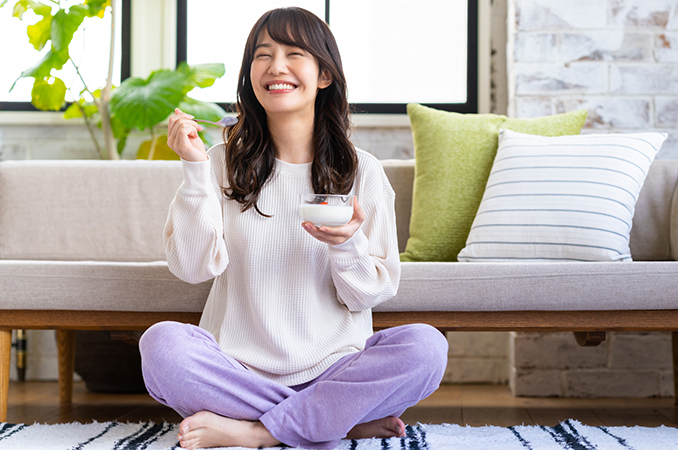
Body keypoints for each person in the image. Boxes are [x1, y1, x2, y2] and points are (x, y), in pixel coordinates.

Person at [138, 7, 448, 450]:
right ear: (251, 74)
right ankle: (331, 419)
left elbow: (369, 293)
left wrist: (346, 246)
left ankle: (256, 431)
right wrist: (192, 169)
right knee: (162, 344)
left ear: (324, 74)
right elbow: (191, 268)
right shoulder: (219, 163)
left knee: (426, 348)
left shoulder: (363, 173)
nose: (276, 66)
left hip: (335, 370)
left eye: (294, 53)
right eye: (262, 55)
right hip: (237, 372)